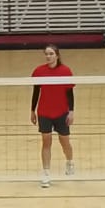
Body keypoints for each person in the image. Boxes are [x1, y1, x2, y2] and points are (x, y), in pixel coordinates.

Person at [30, 45, 75, 187]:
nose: (48, 56)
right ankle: (46, 173)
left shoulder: (65, 71)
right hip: (44, 112)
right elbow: (36, 92)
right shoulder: (39, 71)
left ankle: (69, 162)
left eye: (51, 54)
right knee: (46, 142)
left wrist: (71, 111)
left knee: (65, 142)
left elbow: (69, 93)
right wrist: (32, 110)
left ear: (57, 55)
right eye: (46, 54)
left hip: (61, 112)